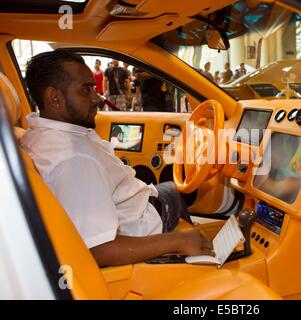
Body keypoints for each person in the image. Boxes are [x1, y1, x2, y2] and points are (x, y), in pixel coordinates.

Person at [21, 50, 213, 267]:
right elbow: (98, 250)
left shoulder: (37, 134)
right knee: (176, 192)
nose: (96, 98)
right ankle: (194, 261)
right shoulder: (74, 159)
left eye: (93, 88)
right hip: (142, 223)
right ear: (54, 97)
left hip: (133, 206)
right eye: (85, 90)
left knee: (164, 186)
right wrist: (179, 241)